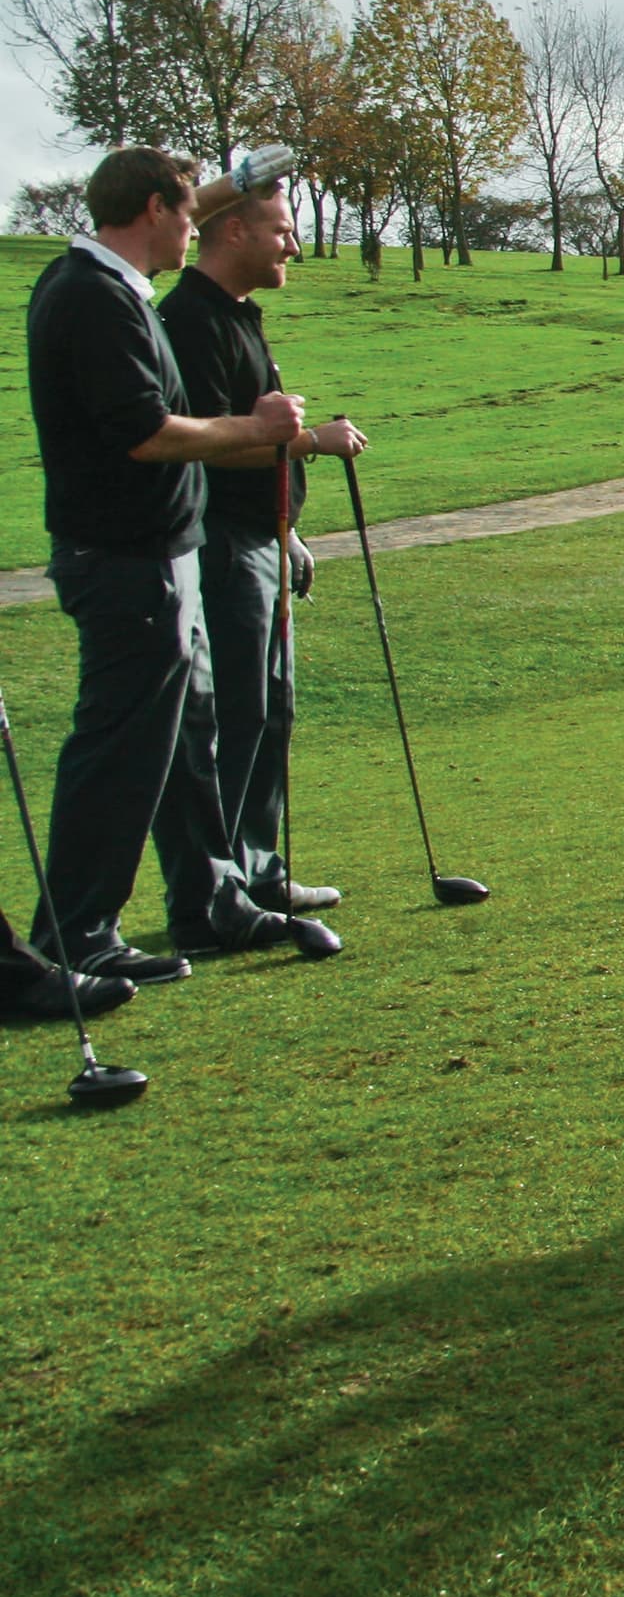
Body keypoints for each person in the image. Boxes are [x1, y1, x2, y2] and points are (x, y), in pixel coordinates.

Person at [23, 147, 337, 979]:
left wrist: (258, 169)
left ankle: (209, 902)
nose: (196, 222)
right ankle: (78, 931)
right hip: (126, 559)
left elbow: (200, 205)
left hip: (163, 553)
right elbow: (148, 432)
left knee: (184, 741)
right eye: (188, 208)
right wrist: (262, 431)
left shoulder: (109, 287)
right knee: (123, 746)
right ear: (157, 210)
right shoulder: (92, 298)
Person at [160, 154, 368, 926]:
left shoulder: (236, 315)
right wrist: (310, 441)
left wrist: (288, 531)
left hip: (258, 537)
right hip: (216, 543)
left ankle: (258, 871)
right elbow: (206, 443)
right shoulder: (190, 320)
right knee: (237, 711)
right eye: (282, 232)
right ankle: (224, 889)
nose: (293, 248)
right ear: (235, 230)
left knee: (268, 706)